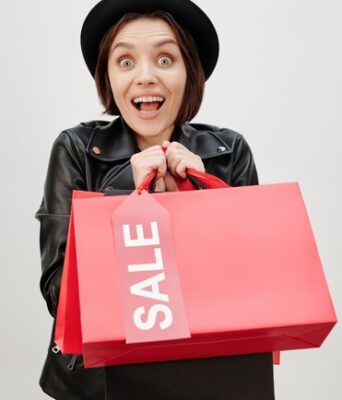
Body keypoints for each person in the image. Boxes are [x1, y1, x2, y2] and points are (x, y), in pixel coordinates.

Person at [35, 0, 275, 399]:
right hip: (103, 383)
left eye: (165, 58)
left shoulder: (228, 152)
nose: (145, 77)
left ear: (189, 72)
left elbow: (254, 292)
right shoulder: (75, 149)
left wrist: (202, 194)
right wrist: (124, 189)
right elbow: (59, 297)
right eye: (125, 62)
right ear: (108, 78)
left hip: (211, 377)